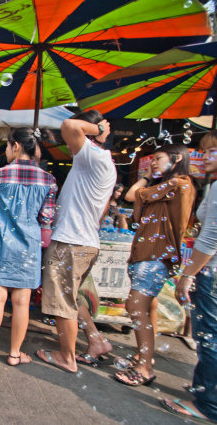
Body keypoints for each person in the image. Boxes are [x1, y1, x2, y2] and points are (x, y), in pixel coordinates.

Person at [36, 109, 116, 373]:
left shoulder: (92, 156)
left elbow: (69, 125)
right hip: (85, 241)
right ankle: (96, 341)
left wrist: (99, 131)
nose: (68, 146)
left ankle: (66, 357)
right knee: (74, 299)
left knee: (61, 302)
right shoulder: (102, 163)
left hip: (71, 243)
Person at [0, 127, 57, 367]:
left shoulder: (0, 175)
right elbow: (46, 219)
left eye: (7, 146)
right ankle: (15, 355)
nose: (6, 150)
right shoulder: (48, 180)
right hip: (29, 244)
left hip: (0, 242)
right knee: (21, 302)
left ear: (16, 146)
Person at [113, 144, 196, 386]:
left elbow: (131, 195)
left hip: (155, 255)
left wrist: (147, 177)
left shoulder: (178, 184)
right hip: (150, 253)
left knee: (135, 306)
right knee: (147, 307)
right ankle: (143, 356)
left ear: (177, 158)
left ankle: (145, 367)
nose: (153, 163)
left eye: (158, 159)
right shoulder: (168, 189)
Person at [161, 131, 217, 422]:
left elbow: (210, 240)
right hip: (209, 271)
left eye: (212, 151)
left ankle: (209, 404)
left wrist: (187, 275)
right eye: (205, 152)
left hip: (210, 272)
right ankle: (203, 387)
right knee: (208, 333)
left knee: (210, 336)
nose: (205, 157)